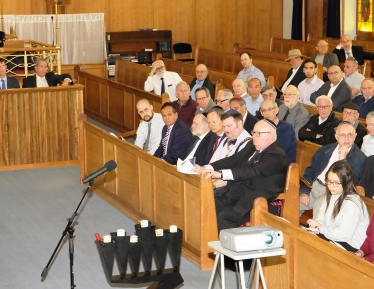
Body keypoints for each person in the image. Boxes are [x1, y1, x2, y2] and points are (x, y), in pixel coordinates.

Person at [193, 119, 289, 231]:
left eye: (259, 133)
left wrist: (221, 174)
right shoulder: (252, 145)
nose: (254, 136)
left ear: (271, 135)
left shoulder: (276, 154)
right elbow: (234, 160)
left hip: (255, 200)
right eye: (254, 132)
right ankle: (202, 244)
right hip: (236, 193)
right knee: (205, 205)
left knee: (222, 217)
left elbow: (252, 170)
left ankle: (220, 247)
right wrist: (208, 168)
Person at [300, 122, 367, 213]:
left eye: (350, 135)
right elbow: (310, 171)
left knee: (319, 217)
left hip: (334, 194)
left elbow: (351, 181)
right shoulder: (325, 149)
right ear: (336, 136)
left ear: (355, 136)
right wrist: (304, 191)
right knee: (291, 206)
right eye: (342, 135)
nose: (346, 138)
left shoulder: (360, 158)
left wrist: (343, 160)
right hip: (314, 186)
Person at [307, 161, 369, 252]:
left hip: (350, 244)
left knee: (314, 248)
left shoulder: (353, 203)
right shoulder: (331, 195)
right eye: (329, 181)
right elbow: (320, 219)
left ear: (346, 182)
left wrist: (321, 228)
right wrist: (315, 228)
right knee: (306, 238)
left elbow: (343, 235)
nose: (331, 186)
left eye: (336, 183)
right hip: (332, 236)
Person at [260, 99, 296, 163]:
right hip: (264, 161)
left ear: (276, 110)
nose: (267, 113)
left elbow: (280, 151)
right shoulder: (260, 126)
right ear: (261, 113)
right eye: (264, 110)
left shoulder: (286, 128)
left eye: (270, 109)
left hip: (281, 164)